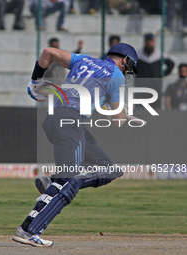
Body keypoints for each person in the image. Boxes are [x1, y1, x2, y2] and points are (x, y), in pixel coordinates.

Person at [12, 42, 138, 247]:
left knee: (108, 168)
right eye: (130, 67)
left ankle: (54, 183)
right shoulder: (116, 76)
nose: (128, 71)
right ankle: (28, 230)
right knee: (68, 180)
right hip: (71, 122)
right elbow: (118, 120)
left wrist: (35, 82)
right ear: (125, 60)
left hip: (55, 119)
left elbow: (48, 53)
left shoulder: (84, 60)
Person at [135, 33, 175, 108]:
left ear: (153, 42)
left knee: (155, 108)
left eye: (151, 41)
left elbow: (171, 64)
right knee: (140, 108)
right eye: (147, 41)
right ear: (144, 42)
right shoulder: (138, 54)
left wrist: (163, 74)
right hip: (141, 87)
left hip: (155, 86)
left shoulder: (159, 54)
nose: (149, 43)